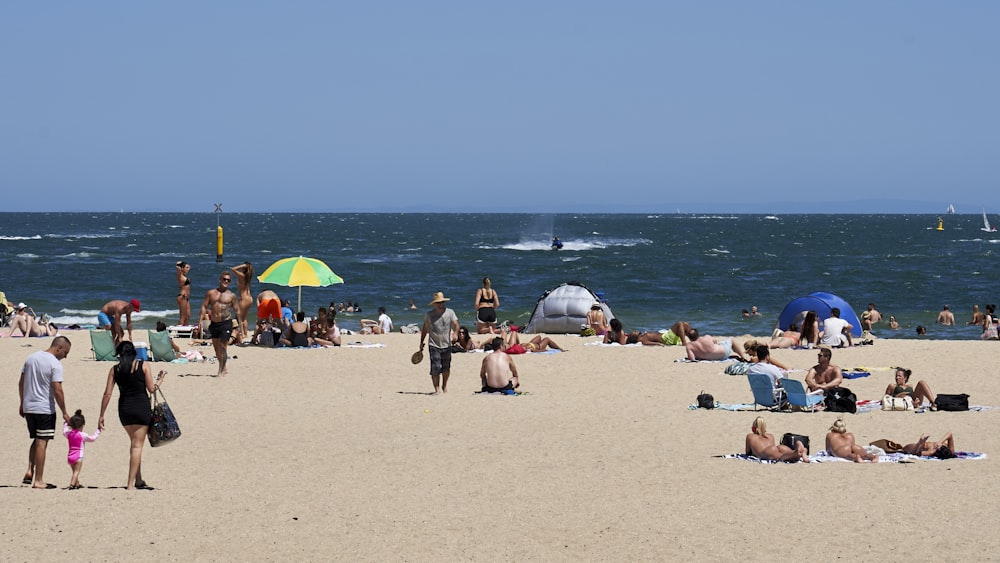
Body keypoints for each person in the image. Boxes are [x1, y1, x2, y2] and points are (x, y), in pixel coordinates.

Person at [98, 341, 166, 489]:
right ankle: (130, 484)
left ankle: (138, 480)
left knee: (135, 444)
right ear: (133, 353)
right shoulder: (143, 365)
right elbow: (151, 389)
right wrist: (160, 380)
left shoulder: (115, 370)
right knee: (137, 446)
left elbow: (107, 394)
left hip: (124, 410)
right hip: (141, 409)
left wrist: (101, 415)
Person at [19, 336, 72, 489]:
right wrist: (64, 412)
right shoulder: (54, 364)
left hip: (29, 406)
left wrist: (22, 402)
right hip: (44, 408)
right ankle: (38, 480)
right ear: (59, 348)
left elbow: (21, 382)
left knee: (36, 439)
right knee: (42, 442)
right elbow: (57, 390)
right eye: (66, 353)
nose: (65, 356)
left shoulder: (31, 357)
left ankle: (30, 469)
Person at [199, 271, 241, 376]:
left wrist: (240, 325)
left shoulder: (231, 295)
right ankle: (224, 367)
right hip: (214, 323)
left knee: (223, 347)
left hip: (226, 323)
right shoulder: (211, 293)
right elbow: (204, 306)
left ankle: (220, 370)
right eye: (224, 279)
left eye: (228, 280)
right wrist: (200, 320)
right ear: (220, 280)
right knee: (216, 348)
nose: (226, 281)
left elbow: (237, 310)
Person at [418, 292, 461, 394]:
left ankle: (444, 385)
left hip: (447, 344)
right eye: (439, 303)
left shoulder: (450, 312)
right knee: (435, 368)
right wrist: (421, 342)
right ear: (434, 304)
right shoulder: (429, 314)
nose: (441, 304)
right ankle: (436, 389)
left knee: (446, 368)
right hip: (434, 344)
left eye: (442, 302)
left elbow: (456, 324)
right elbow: (425, 328)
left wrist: (455, 333)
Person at [63, 409, 100, 490]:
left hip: (70, 456)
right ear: (82, 425)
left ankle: (77, 484)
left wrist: (65, 423)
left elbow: (64, 431)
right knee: (76, 472)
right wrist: (98, 430)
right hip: (79, 456)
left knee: (74, 471)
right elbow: (93, 438)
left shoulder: (68, 434)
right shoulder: (82, 435)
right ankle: (72, 484)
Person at [231, 262, 254, 340]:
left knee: (239, 318)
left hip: (244, 298)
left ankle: (242, 334)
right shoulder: (248, 276)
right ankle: (245, 333)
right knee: (244, 318)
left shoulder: (242, 276)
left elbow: (233, 269)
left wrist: (242, 265)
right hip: (249, 298)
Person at [499, 329, 564, 354]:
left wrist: (517, 344)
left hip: (522, 345)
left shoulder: (510, 346)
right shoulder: (525, 349)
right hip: (536, 347)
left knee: (539, 336)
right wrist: (543, 350)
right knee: (547, 339)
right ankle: (560, 349)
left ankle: (517, 343)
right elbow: (533, 351)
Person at [175, 261, 192, 326]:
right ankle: (180, 329)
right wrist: (180, 264)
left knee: (188, 315)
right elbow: (177, 266)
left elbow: (189, 266)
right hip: (182, 297)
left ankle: (184, 328)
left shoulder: (184, 275)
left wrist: (186, 265)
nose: (187, 269)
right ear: (182, 268)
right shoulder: (180, 275)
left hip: (186, 298)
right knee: (182, 317)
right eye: (186, 268)